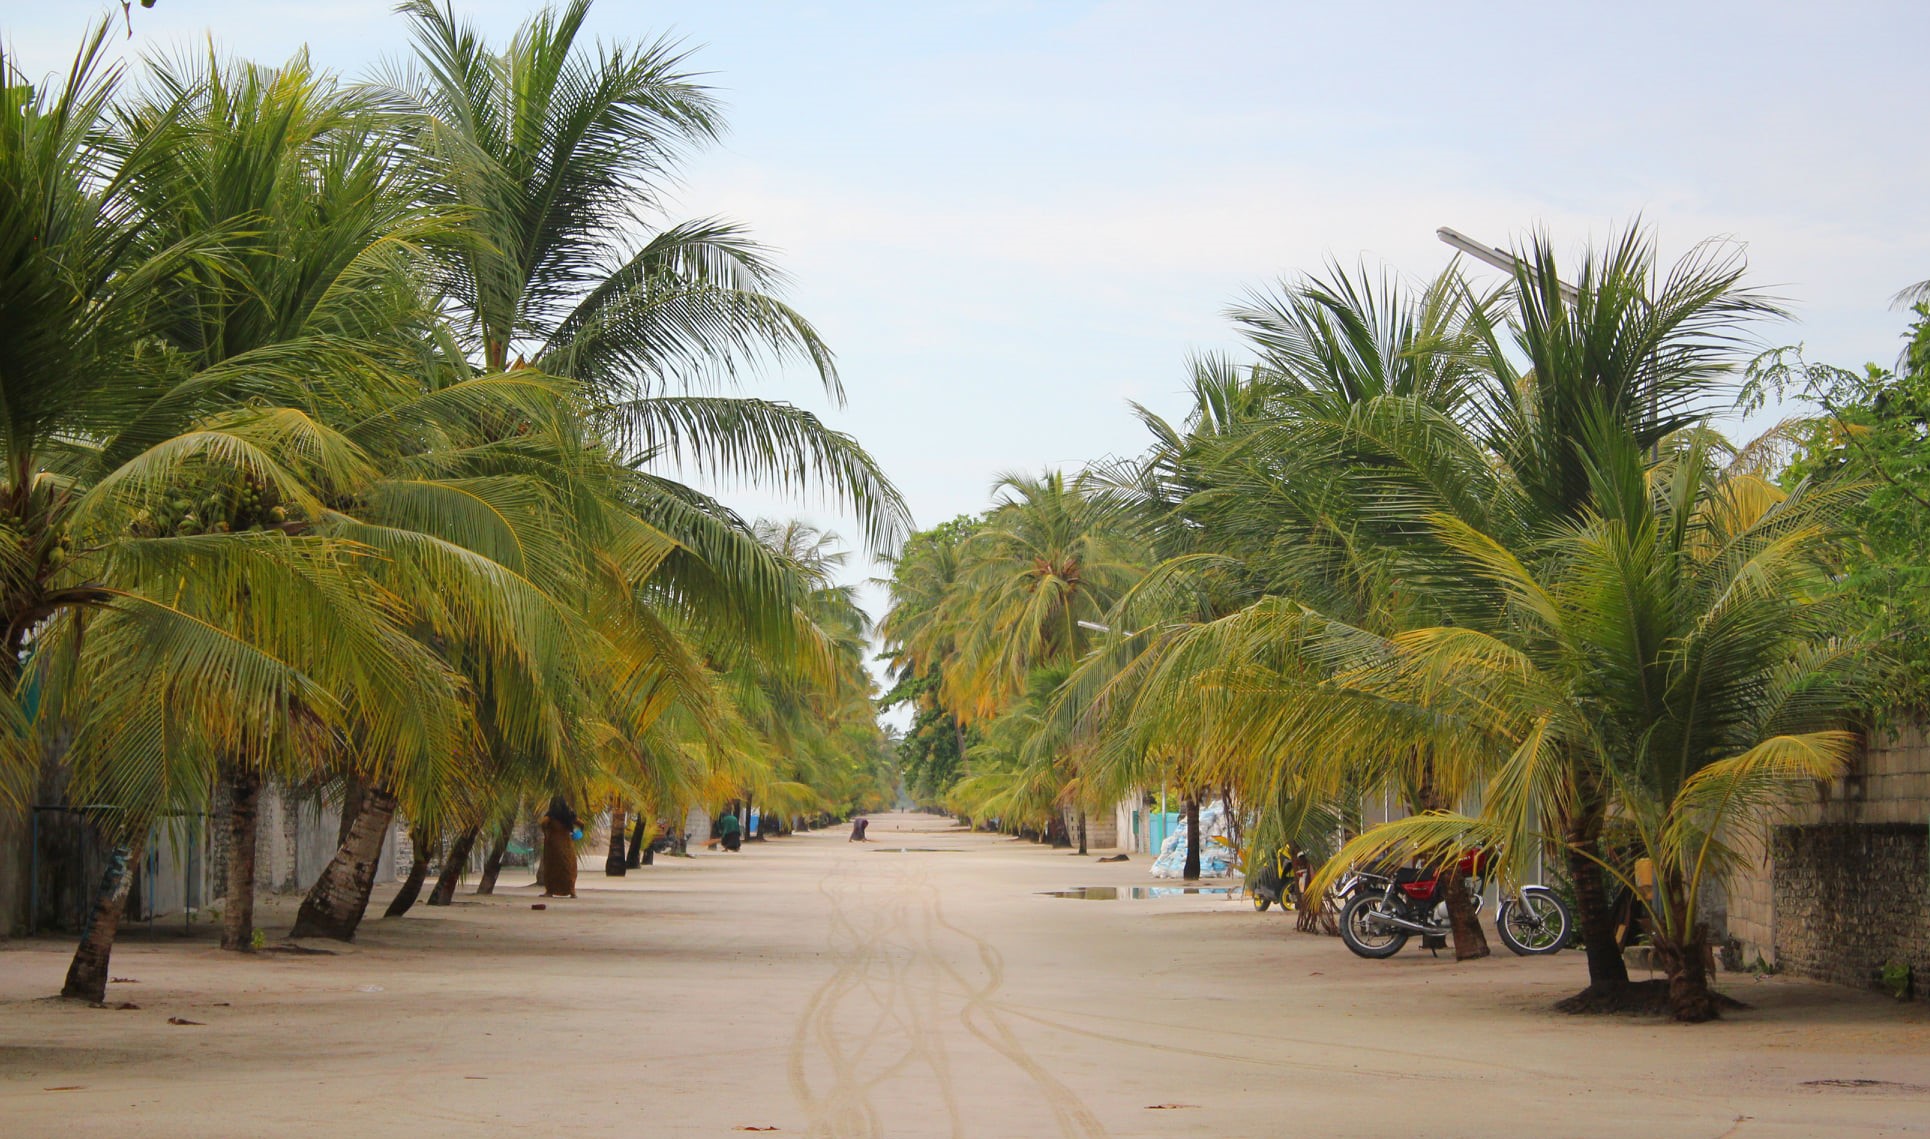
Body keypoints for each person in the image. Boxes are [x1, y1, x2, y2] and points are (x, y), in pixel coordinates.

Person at [538, 797, 579, 898]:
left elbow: (543, 822)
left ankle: (550, 891)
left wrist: (546, 832)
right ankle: (572, 891)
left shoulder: (551, 815)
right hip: (567, 845)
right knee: (569, 867)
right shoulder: (569, 815)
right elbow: (581, 823)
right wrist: (578, 832)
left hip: (553, 845)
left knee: (552, 868)